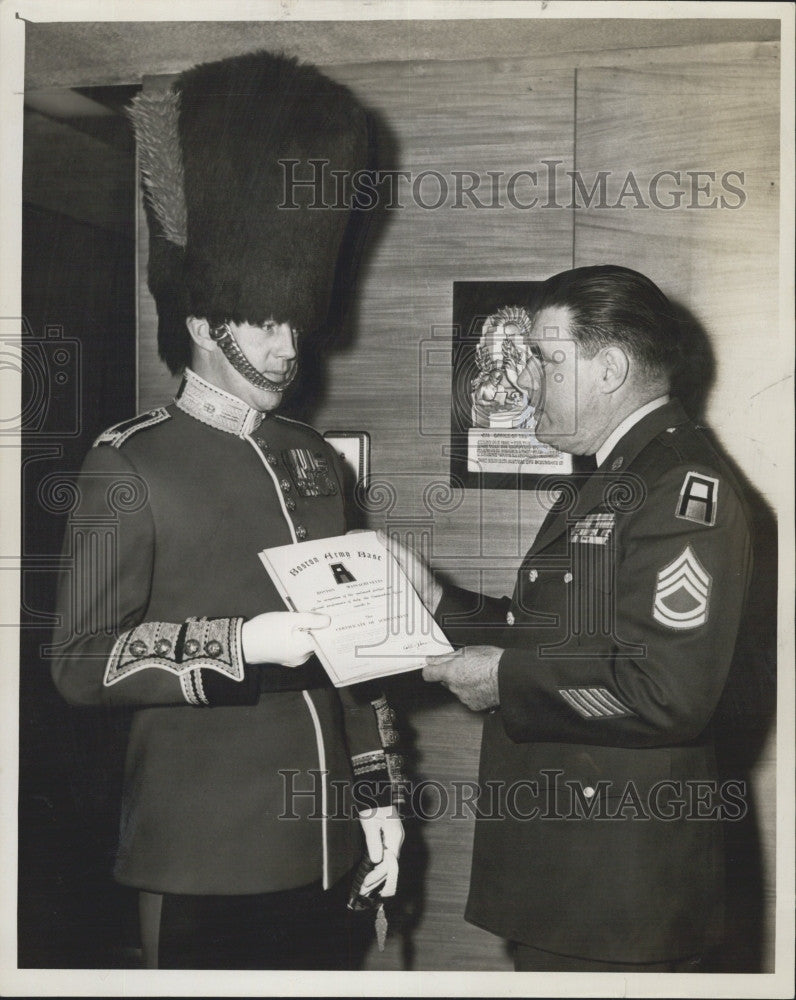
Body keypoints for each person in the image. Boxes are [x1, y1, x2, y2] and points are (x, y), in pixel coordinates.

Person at [51, 51, 403, 970]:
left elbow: (355, 663)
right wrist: (237, 645)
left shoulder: (313, 457)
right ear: (205, 320)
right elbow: (79, 664)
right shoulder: (128, 465)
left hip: (326, 853)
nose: (290, 346)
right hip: (206, 859)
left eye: (296, 318)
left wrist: (378, 802)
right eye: (264, 320)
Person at [389, 264, 752, 972]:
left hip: (617, 894)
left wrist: (503, 681)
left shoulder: (678, 487)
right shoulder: (620, 473)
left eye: (548, 360)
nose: (527, 382)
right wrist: (439, 601)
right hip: (575, 875)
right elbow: (556, 636)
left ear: (609, 367)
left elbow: (665, 691)